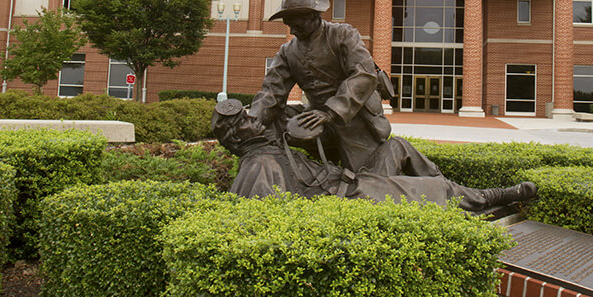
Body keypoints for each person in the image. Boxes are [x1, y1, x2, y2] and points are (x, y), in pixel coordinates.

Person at [212, 98, 537, 214]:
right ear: (235, 137)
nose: (255, 117)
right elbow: (264, 218)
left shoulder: (273, 145)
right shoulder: (260, 165)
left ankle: (446, 197)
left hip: (355, 181)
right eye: (246, 120)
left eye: (249, 114)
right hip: (350, 196)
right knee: (439, 191)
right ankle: (486, 198)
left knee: (397, 147)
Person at [250, 0, 393, 172]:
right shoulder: (288, 51)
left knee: (366, 176)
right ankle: (277, 171)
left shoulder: (343, 35)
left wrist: (330, 112)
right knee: (271, 123)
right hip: (314, 116)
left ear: (313, 16)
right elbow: (271, 91)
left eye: (297, 24)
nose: (292, 31)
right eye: (289, 25)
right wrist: (252, 121)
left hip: (353, 118)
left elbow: (364, 75)